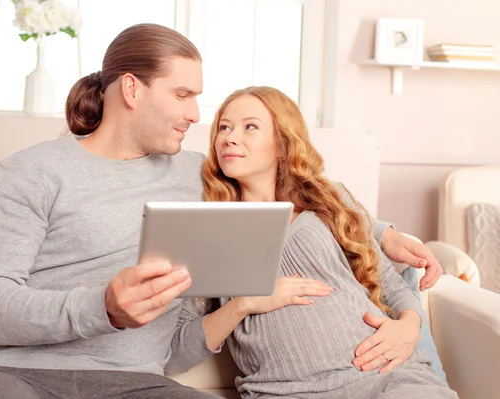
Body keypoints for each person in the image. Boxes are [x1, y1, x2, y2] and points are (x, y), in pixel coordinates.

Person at [0, 22, 444, 398]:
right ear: (131, 89)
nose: (196, 116)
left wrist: (381, 231)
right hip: (20, 379)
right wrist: (102, 307)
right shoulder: (29, 172)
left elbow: (292, 193)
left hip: (139, 385)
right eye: (183, 95)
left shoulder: (201, 177)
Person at [164, 86, 457, 399]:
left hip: (386, 376)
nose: (230, 137)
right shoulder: (209, 227)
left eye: (250, 126)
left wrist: (409, 327)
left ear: (282, 144)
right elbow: (175, 354)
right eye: (224, 127)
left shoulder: (329, 200)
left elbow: (392, 286)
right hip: (286, 392)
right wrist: (244, 303)